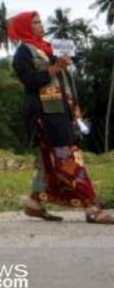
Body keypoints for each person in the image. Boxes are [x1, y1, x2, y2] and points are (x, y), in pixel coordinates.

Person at [10, 11, 114, 224]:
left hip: (61, 110)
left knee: (48, 157)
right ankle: (91, 204)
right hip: (43, 112)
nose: (41, 25)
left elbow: (64, 79)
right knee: (68, 154)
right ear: (24, 28)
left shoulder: (48, 48)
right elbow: (30, 81)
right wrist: (56, 67)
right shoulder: (23, 52)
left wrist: (74, 106)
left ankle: (35, 201)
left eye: (40, 21)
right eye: (35, 22)